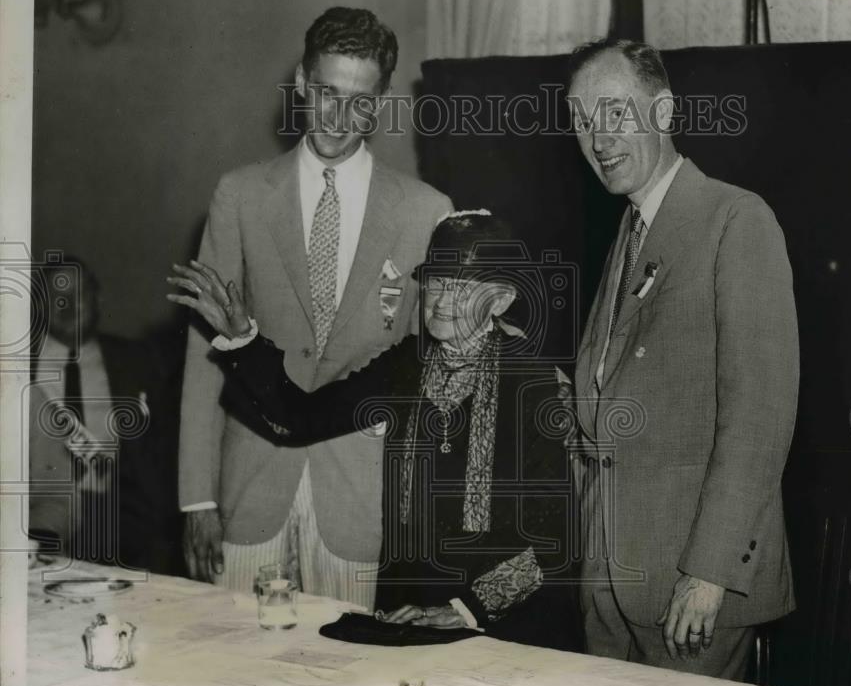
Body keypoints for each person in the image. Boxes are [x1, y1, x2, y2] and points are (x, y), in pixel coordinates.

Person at [168, 212, 581, 649]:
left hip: (503, 629)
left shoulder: (537, 387)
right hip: (408, 616)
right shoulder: (407, 364)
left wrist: (464, 611)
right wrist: (243, 340)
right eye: (436, 282)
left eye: (462, 289)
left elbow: (555, 545)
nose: (441, 301)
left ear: (500, 300)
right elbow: (299, 419)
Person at [177, 7, 451, 607]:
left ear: (380, 102)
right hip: (249, 487)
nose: (339, 118)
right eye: (326, 93)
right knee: (237, 676)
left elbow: (423, 371)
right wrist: (197, 497)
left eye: (360, 102)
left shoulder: (425, 211)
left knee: (350, 681)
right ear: (301, 82)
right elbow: (206, 348)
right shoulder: (241, 196)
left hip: (362, 499)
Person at [567, 38, 799, 679]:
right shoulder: (631, 227)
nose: (598, 138)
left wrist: (708, 574)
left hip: (689, 594)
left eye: (615, 113)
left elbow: (759, 421)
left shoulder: (735, 220)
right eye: (582, 121)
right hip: (611, 588)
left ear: (664, 112)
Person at [29, 256, 181, 574]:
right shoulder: (16, 369)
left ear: (98, 298)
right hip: (36, 519)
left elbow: (166, 447)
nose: (68, 305)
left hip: (121, 521)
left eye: (78, 294)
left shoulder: (137, 360)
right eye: (56, 298)